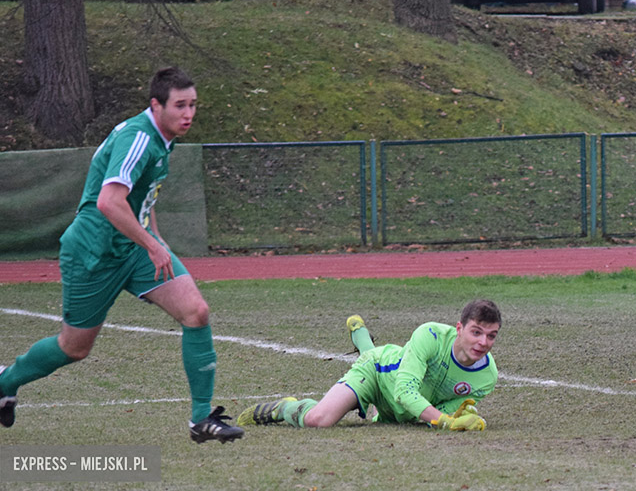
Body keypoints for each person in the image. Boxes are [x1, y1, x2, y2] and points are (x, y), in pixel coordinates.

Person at [0, 67, 243, 444]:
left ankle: (201, 420)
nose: (188, 114)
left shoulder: (163, 138)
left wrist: (156, 242)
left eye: (193, 105)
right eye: (180, 105)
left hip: (132, 248)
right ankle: (5, 382)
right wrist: (152, 245)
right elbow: (110, 202)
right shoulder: (138, 139)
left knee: (196, 312)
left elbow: (141, 196)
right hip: (92, 253)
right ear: (155, 105)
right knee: (74, 347)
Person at [237, 299, 501, 431]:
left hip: (396, 399)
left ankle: (361, 335)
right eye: (476, 332)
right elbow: (405, 392)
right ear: (459, 328)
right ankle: (283, 407)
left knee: (403, 414)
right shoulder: (430, 335)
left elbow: (436, 412)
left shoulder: (487, 377)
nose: (482, 342)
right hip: (376, 372)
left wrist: (460, 417)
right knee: (319, 420)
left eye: (491, 335)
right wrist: (445, 422)